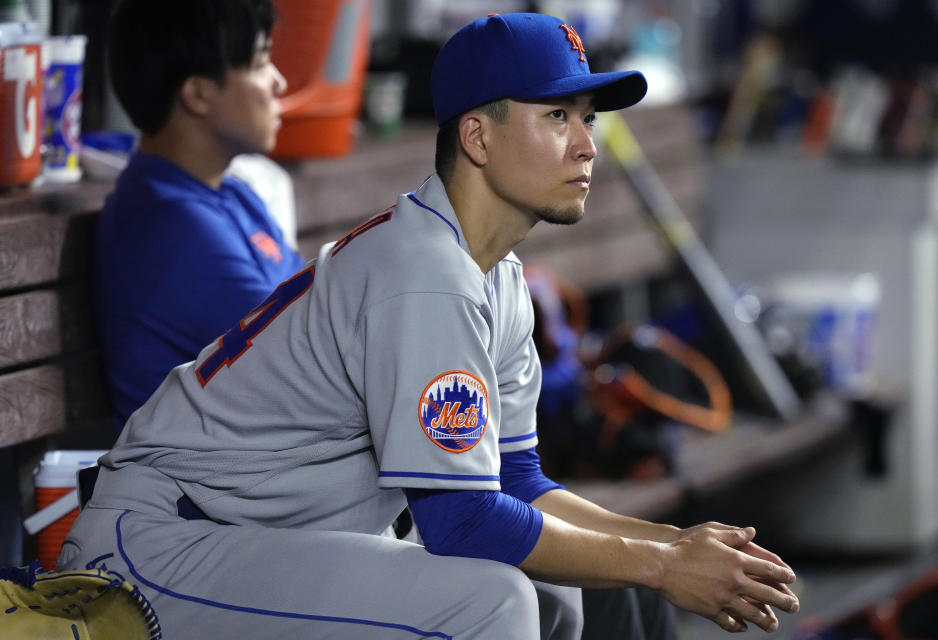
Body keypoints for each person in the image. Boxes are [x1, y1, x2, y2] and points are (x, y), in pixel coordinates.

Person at [60, 12, 800, 639]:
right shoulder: (424, 274)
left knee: (557, 591)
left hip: (263, 537)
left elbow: (516, 482)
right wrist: (667, 566)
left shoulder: (493, 273)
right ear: (477, 138)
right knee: (495, 599)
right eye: (555, 116)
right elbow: (462, 523)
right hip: (162, 545)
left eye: (588, 119)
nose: (586, 145)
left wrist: (674, 545)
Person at [94, 0, 303, 432]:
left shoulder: (231, 194)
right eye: (261, 62)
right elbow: (313, 352)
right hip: (202, 491)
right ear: (199, 93)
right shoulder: (169, 224)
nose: (279, 82)